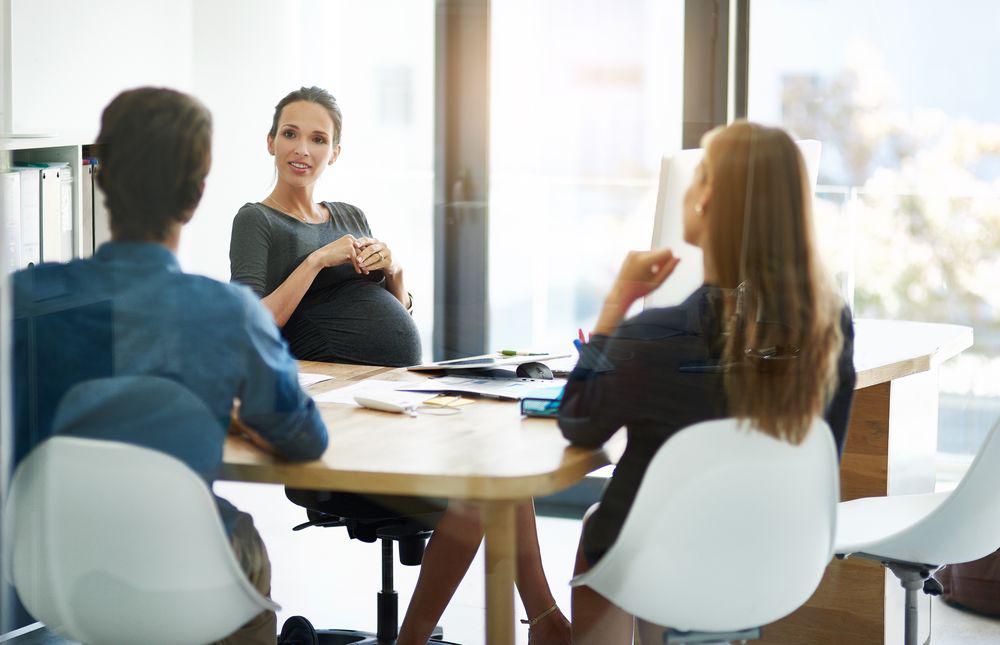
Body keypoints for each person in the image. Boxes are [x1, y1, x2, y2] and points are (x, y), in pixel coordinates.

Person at [12, 87, 329, 645]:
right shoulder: (228, 315)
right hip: (177, 569)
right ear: (196, 194)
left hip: (46, 567)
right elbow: (304, 438)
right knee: (242, 536)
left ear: (101, 179)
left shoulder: (18, 300)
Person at [558, 122, 857, 644]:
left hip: (662, 558)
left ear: (706, 201)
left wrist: (616, 305)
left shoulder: (654, 335)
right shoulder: (830, 325)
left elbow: (579, 420)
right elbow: (826, 449)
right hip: (781, 550)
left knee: (602, 524)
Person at [230, 86, 419, 367]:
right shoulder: (256, 219)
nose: (302, 150)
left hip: (391, 383)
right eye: (290, 134)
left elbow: (399, 312)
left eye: (318, 139)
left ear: (334, 153)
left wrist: (394, 270)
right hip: (325, 381)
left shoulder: (351, 216)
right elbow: (249, 326)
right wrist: (316, 261)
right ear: (271, 142)